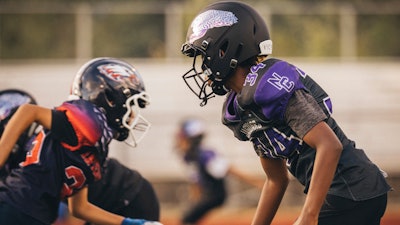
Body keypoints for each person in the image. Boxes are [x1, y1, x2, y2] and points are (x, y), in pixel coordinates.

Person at [179, 2, 391, 225]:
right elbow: (276, 180)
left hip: (352, 188)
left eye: (205, 56)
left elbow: (330, 145)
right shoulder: (243, 107)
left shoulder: (269, 86)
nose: (202, 67)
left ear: (225, 49)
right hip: (344, 192)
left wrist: (308, 215)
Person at [0, 58, 162, 225]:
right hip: (17, 207)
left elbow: (79, 208)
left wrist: (130, 223)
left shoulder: (94, 146)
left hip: (36, 215)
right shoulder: (78, 125)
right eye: (130, 106)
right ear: (111, 100)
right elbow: (28, 111)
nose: (132, 116)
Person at [174, 117, 263, 225]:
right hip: (207, 195)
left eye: (182, 138)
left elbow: (228, 169)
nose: (178, 142)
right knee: (190, 217)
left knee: (187, 219)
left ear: (191, 140)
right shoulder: (190, 158)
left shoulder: (205, 156)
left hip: (215, 195)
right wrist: (195, 201)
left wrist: (257, 182)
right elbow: (195, 181)